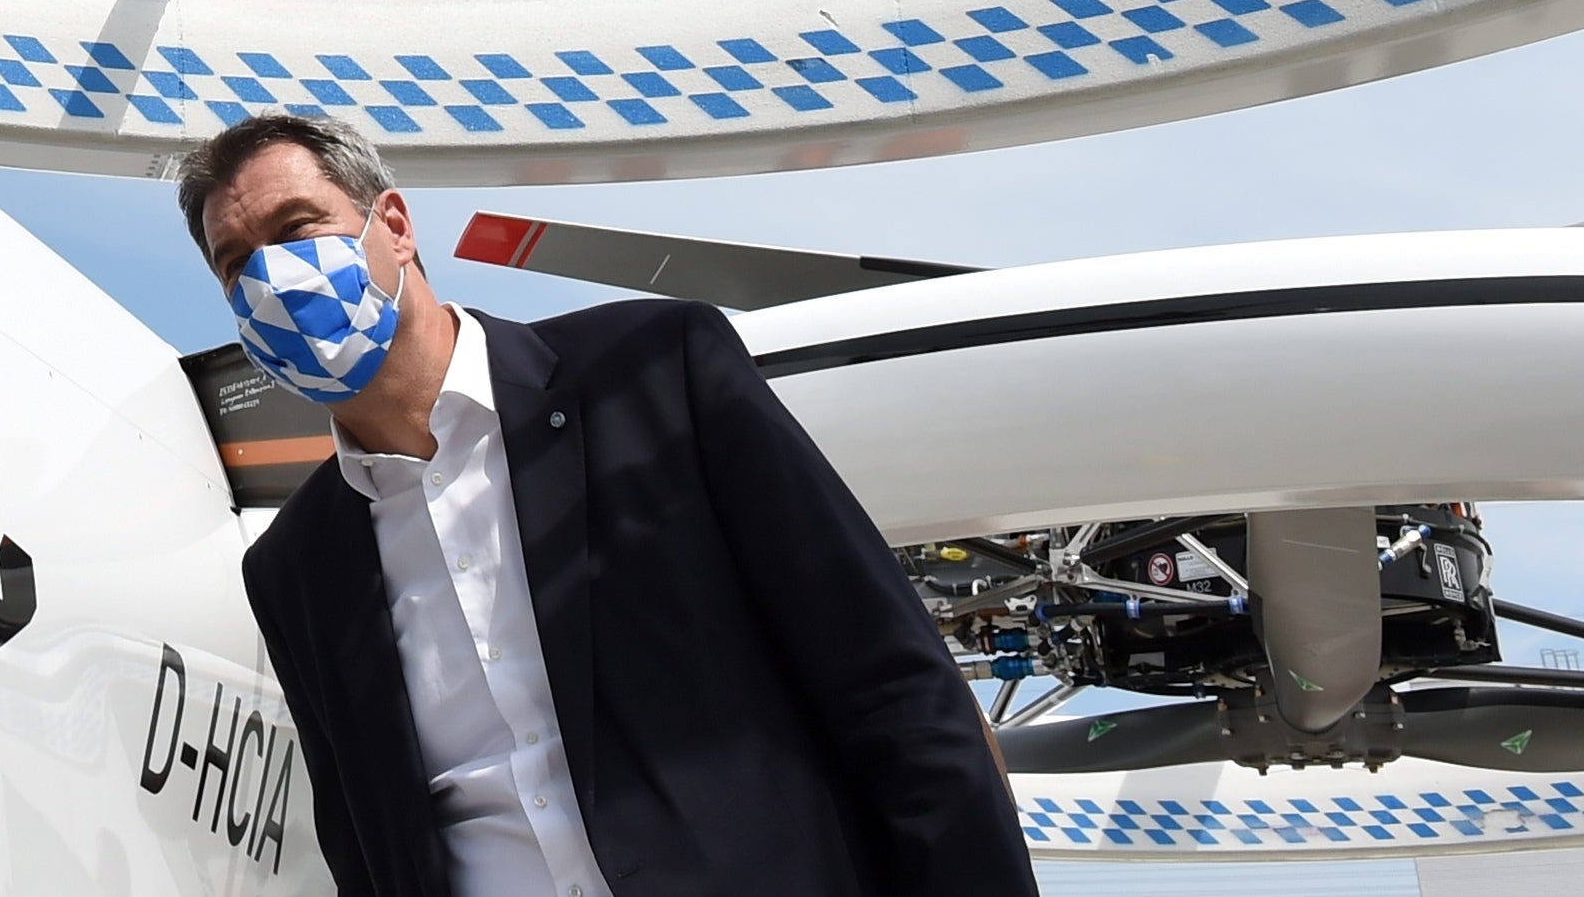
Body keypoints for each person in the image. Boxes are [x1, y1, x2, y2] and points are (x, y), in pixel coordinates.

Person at [185, 113, 1026, 897]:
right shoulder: (296, 565)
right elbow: (362, 841)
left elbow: (892, 686)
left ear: (395, 227)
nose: (269, 276)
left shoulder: (655, 374)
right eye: (234, 263)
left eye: (297, 230)